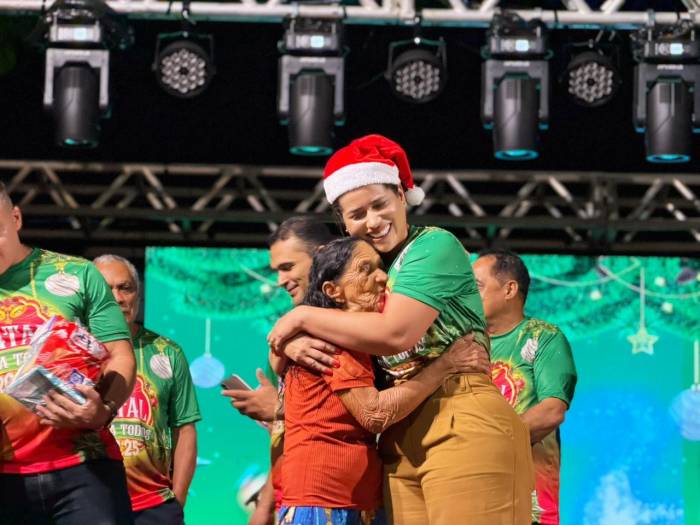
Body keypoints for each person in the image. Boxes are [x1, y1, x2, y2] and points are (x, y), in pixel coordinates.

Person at [268, 134, 533, 525]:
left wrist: (301, 319)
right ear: (344, 222)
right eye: (357, 214)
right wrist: (292, 342)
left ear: (401, 195)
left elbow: (395, 333)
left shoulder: (433, 246)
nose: (373, 221)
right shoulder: (367, 270)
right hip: (395, 437)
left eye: (380, 204)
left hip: (460, 415)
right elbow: (297, 344)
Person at [280, 236, 488, 525]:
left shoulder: (363, 342)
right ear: (333, 291)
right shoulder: (329, 340)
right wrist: (445, 365)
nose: (381, 278)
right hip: (324, 500)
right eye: (365, 270)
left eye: (381, 268)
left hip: (360, 498)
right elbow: (375, 413)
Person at [0, 183, 136, 524]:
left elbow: (120, 354)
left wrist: (103, 410)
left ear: (16, 218)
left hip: (83, 467)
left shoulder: (76, 274)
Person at [224, 217, 336, 525]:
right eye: (276, 271)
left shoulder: (359, 323)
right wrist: (266, 507)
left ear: (321, 256)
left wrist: (280, 410)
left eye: (288, 267)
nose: (279, 280)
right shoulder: (285, 338)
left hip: (338, 496)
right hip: (296, 495)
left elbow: (365, 418)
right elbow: (284, 438)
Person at [94, 254, 201, 525]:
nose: (118, 298)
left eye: (125, 288)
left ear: (138, 296)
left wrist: (177, 501)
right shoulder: (72, 348)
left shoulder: (168, 352)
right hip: (90, 501)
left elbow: (185, 430)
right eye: (106, 288)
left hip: (153, 506)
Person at [473, 249, 577, 525]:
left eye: (477, 286)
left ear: (509, 290)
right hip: (470, 490)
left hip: (526, 497)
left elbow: (552, 411)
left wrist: (484, 444)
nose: (468, 294)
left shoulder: (543, 338)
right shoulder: (463, 343)